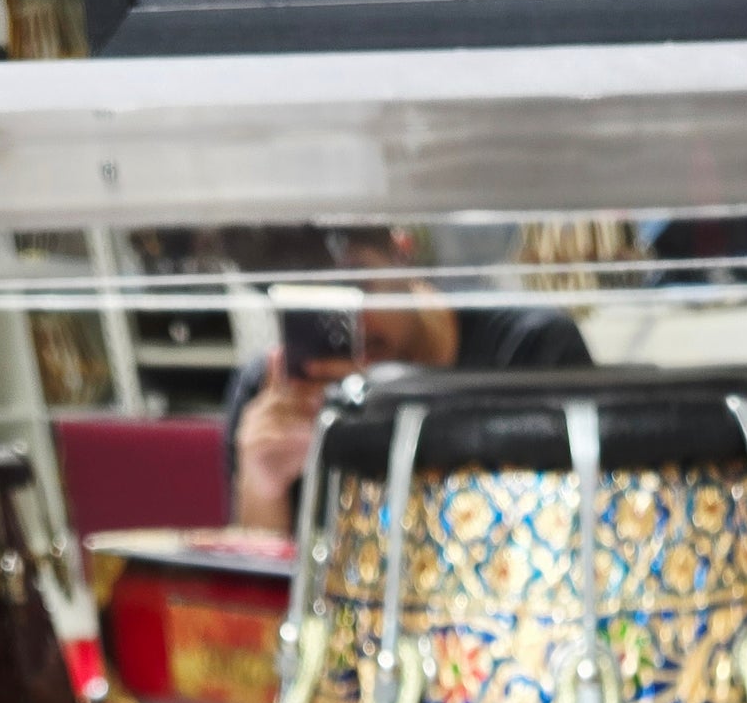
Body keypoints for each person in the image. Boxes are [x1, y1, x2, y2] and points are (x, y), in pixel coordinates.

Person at [224, 228, 590, 536]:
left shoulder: (531, 351)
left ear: (403, 252)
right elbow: (259, 585)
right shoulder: (272, 394)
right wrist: (263, 488)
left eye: (358, 283)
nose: (353, 324)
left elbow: (577, 530)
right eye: (316, 306)